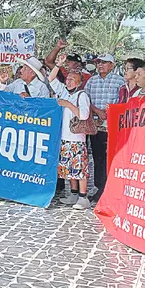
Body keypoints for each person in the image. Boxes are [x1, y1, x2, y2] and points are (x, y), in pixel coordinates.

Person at [49, 55, 93, 210]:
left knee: (80, 168)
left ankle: (83, 196)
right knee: (69, 168)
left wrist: (68, 105)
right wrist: (58, 64)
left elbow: (84, 115)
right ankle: (73, 193)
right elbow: (51, 79)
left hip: (77, 137)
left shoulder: (82, 95)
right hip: (64, 136)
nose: (68, 81)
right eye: (67, 79)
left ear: (79, 82)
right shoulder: (64, 92)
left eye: (72, 79)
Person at [85, 54, 126, 202]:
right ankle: (99, 187)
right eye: (98, 63)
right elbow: (86, 99)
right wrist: (97, 111)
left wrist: (110, 112)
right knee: (98, 157)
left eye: (104, 62)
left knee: (111, 157)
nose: (100, 65)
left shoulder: (120, 81)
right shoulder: (91, 81)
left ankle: (111, 187)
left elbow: (123, 100)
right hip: (96, 125)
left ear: (112, 65)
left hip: (112, 125)